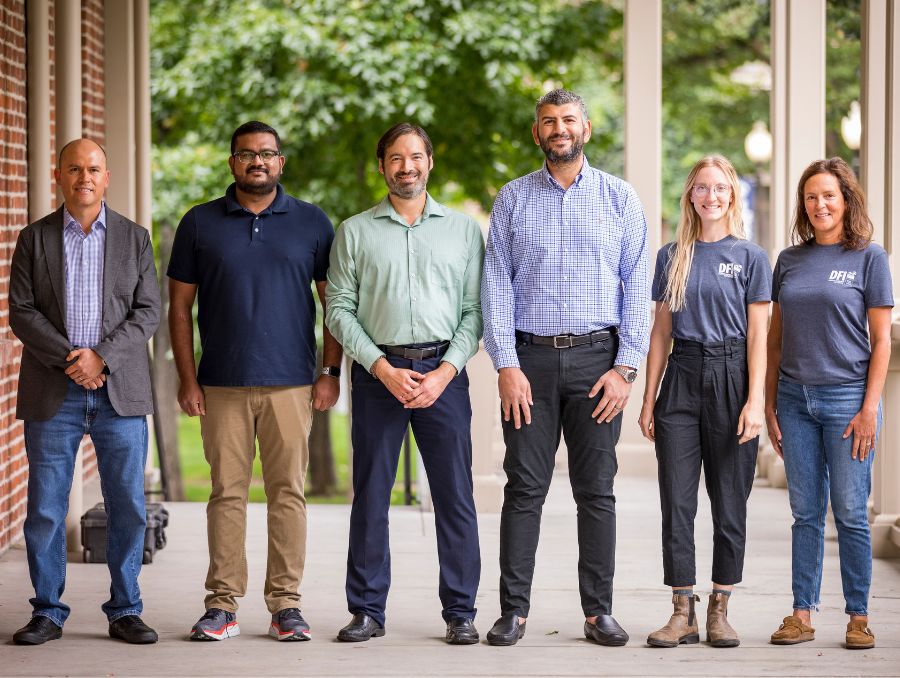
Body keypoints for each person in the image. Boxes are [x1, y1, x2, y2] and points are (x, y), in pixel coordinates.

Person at [481, 88, 649, 647]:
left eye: (568, 120)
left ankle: (598, 612)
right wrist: (505, 363)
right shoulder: (511, 199)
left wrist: (626, 369)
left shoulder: (620, 198)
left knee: (596, 491)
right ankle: (514, 612)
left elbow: (636, 290)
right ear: (537, 133)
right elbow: (496, 284)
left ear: (587, 128)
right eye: (549, 121)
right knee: (524, 488)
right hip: (527, 363)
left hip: (598, 363)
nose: (559, 129)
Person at [167, 121, 341, 642]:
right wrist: (187, 377)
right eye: (247, 154)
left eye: (267, 154)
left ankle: (286, 605)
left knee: (288, 493)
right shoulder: (199, 223)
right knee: (227, 494)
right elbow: (179, 307)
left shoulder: (312, 223)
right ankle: (221, 605)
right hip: (220, 383)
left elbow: (335, 304)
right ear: (232, 163)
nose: (257, 162)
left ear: (281, 163)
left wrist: (329, 372)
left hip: (291, 384)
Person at [326, 122, 484, 645]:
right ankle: (367, 611)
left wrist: (444, 373)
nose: (407, 166)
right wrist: (380, 367)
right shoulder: (354, 232)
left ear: (430, 162)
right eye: (396, 158)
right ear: (382, 166)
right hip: (378, 376)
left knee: (455, 495)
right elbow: (338, 310)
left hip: (445, 375)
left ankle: (461, 611)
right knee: (371, 494)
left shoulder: (463, 231)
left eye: (415, 156)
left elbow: (474, 312)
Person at [9, 139, 161, 645]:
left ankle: (125, 609)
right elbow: (22, 312)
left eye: (93, 168)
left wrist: (104, 357)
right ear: (59, 175)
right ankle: (48, 610)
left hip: (120, 392)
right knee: (47, 507)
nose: (84, 178)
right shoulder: (34, 239)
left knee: (127, 505)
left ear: (107, 176)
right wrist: (74, 359)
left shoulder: (134, 238)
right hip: (55, 391)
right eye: (74, 169)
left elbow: (147, 311)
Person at [638, 155, 770, 649]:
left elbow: (759, 337)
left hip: (732, 376)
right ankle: (682, 610)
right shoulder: (672, 256)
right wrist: (649, 398)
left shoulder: (752, 257)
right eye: (701, 188)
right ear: (690, 195)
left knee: (729, 501)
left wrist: (755, 401)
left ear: (732, 195)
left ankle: (720, 608)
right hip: (681, 379)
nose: (710, 196)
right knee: (676, 500)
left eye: (719, 188)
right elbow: (661, 334)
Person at [766, 158, 893, 650]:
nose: (819, 204)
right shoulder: (789, 261)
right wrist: (772, 404)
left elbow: (881, 341)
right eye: (811, 196)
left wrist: (868, 408)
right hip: (795, 400)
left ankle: (858, 615)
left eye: (829, 196)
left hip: (848, 401)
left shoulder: (869, 258)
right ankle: (802, 613)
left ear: (847, 201)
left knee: (851, 512)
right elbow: (776, 338)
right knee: (804, 512)